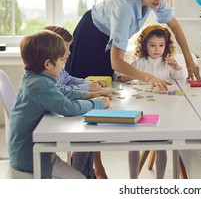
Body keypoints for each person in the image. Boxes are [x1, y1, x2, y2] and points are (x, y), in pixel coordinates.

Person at [65, 0, 200, 93]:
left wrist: (189, 61)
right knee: (82, 86)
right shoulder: (124, 9)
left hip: (107, 37)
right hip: (90, 35)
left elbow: (175, 26)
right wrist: (149, 77)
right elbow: (117, 63)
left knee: (104, 85)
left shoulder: (157, 0)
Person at [8, 30, 111, 178]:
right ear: (48, 64)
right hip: (33, 158)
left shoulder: (34, 78)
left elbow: (61, 91)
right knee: (80, 180)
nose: (63, 65)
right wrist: (98, 103)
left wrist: (90, 95)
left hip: (29, 152)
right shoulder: (40, 85)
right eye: (61, 61)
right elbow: (69, 108)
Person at [116, 24, 185, 179]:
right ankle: (132, 180)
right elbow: (120, 74)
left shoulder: (168, 63)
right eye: (152, 45)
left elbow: (181, 79)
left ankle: (159, 181)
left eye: (161, 45)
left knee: (161, 147)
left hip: (163, 110)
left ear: (166, 46)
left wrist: (178, 67)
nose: (157, 49)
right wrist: (124, 77)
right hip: (141, 108)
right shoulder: (140, 62)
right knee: (134, 145)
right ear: (144, 45)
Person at [43, 25, 106, 179]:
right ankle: (80, 174)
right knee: (88, 132)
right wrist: (93, 96)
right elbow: (62, 92)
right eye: (66, 47)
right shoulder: (46, 75)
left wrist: (88, 84)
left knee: (91, 132)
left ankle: (87, 173)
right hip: (51, 123)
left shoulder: (57, 67)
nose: (69, 52)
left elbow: (68, 81)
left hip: (54, 118)